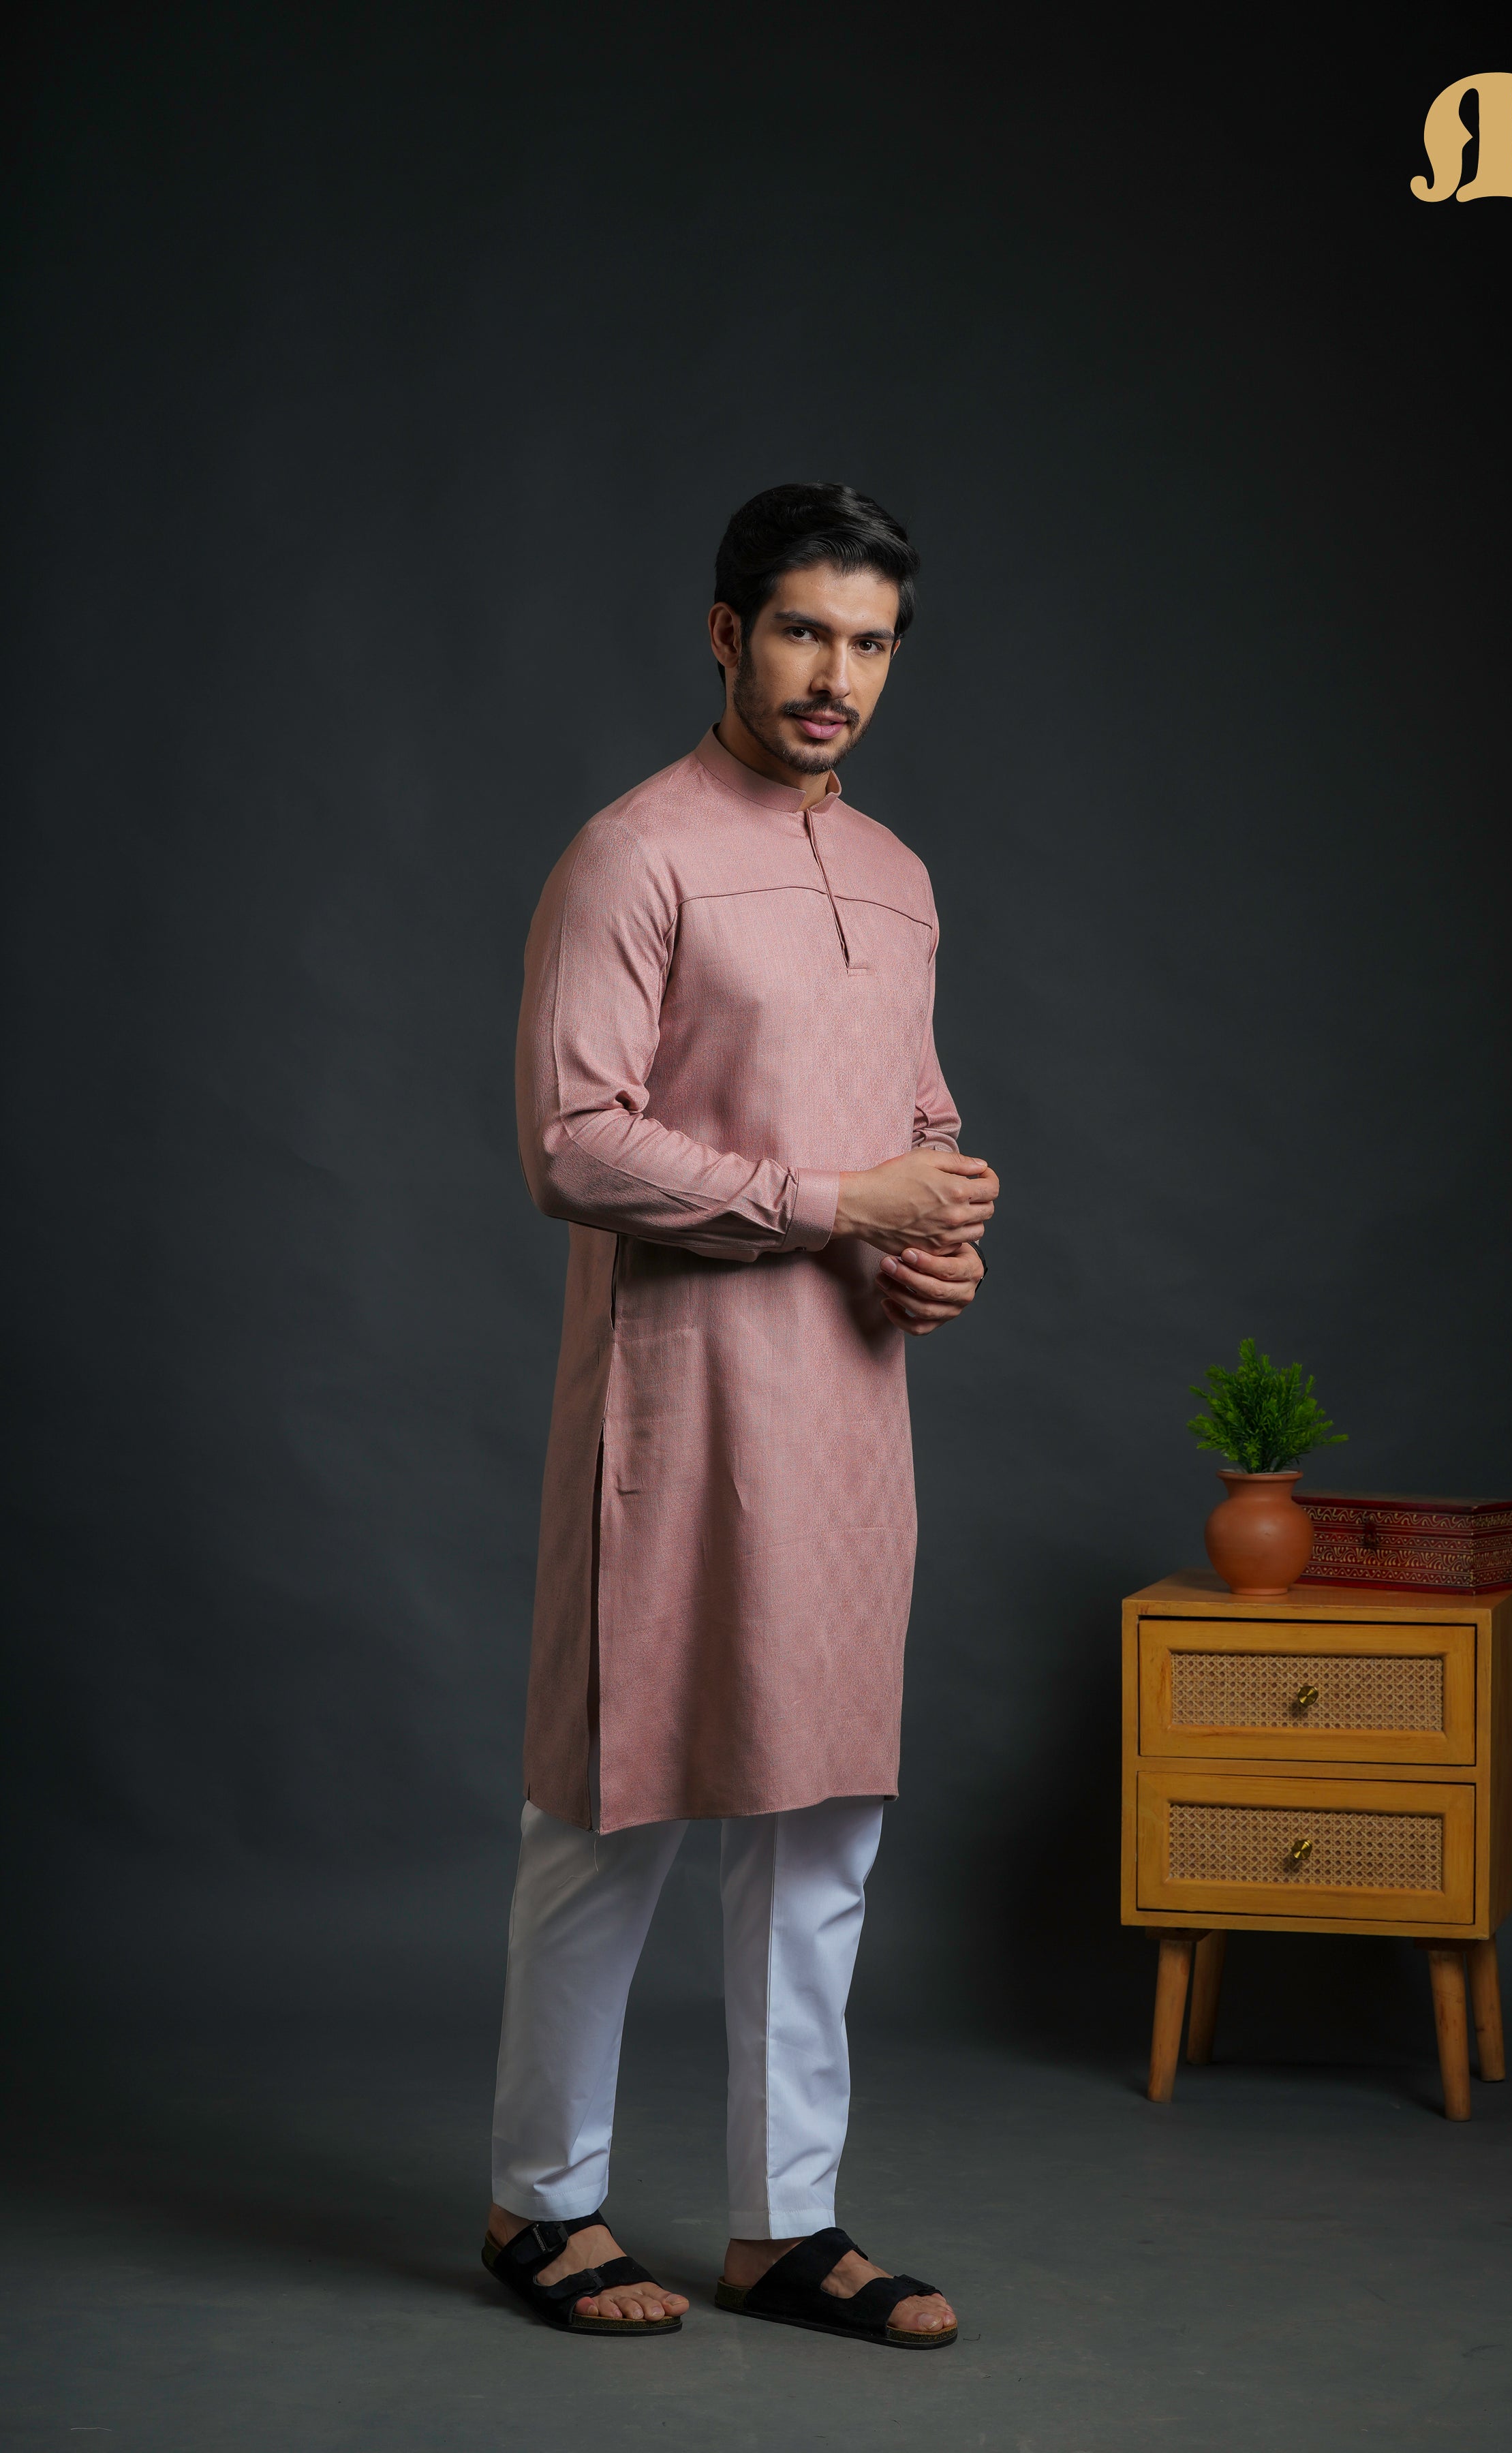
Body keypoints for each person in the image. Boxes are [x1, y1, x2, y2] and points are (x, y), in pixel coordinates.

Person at [482, 482, 997, 2349]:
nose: (834, 675)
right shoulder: (636, 856)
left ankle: (789, 2228)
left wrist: (930, 1245)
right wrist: (835, 1205)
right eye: (801, 632)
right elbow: (573, 1143)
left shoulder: (902, 876)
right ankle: (543, 2207)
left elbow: (919, 1123)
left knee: (827, 1822)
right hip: (679, 1411)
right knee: (616, 1811)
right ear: (726, 635)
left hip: (850, 1412)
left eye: (868, 642)